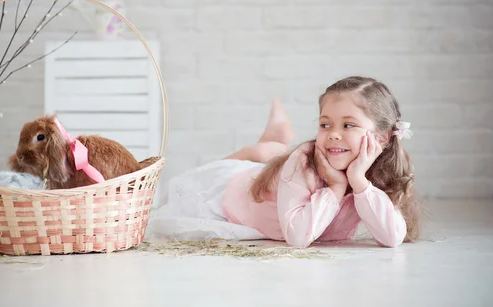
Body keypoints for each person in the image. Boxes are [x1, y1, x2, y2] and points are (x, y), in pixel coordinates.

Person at [150, 76, 420, 248]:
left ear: (382, 138)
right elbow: (298, 238)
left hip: (273, 180)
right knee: (228, 170)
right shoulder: (303, 161)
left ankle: (272, 143)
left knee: (270, 160)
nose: (333, 134)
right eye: (325, 124)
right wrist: (337, 187)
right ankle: (258, 147)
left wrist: (359, 182)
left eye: (348, 125)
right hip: (233, 196)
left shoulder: (380, 172)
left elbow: (392, 237)